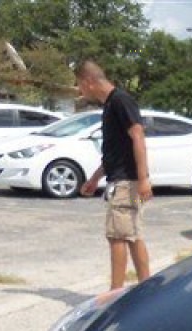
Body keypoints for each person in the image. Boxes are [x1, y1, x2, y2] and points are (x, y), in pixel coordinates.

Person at [74, 60, 152, 290]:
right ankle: (146, 290)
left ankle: (115, 294)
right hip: (124, 179)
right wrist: (95, 178)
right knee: (133, 235)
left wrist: (143, 178)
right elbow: (115, 152)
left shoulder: (120, 100)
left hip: (127, 182)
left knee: (117, 237)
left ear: (88, 81)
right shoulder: (110, 105)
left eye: (79, 85)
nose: (80, 91)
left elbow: (137, 136)